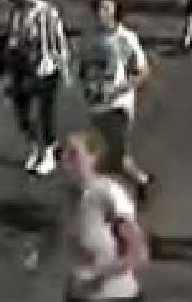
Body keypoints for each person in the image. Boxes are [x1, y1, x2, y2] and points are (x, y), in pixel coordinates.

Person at [51, 128, 149, 302]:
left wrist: (98, 275)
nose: (64, 159)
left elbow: (138, 252)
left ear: (92, 158)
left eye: (73, 154)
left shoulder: (108, 193)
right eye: (62, 153)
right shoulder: (68, 197)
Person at [79, 0, 155, 201]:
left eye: (106, 9)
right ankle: (141, 180)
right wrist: (88, 87)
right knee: (116, 156)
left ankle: (97, 198)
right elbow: (84, 68)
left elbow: (143, 72)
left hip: (118, 106)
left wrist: (117, 90)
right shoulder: (90, 37)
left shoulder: (126, 39)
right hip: (96, 104)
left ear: (116, 13)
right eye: (99, 9)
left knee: (111, 152)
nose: (101, 14)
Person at [4, 0, 71, 176]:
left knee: (44, 114)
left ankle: (49, 151)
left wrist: (64, 68)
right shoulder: (17, 12)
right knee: (22, 113)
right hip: (22, 68)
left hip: (45, 69)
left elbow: (58, 43)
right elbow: (12, 40)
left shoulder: (48, 13)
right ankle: (34, 147)